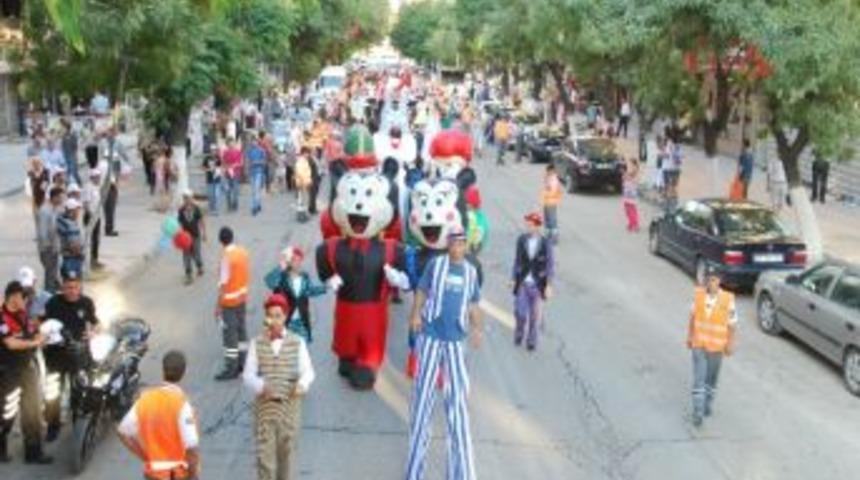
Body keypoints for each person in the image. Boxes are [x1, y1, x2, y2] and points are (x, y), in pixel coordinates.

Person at [406, 229, 481, 480]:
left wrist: (477, 329)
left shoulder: (471, 273)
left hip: (455, 341)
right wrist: (415, 314)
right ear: (448, 245)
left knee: (458, 405)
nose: (457, 248)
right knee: (422, 401)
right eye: (453, 244)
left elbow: (473, 303)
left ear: (465, 246)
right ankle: (414, 473)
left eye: (461, 244)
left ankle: (461, 475)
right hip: (430, 336)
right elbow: (422, 291)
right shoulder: (435, 265)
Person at [243, 294, 315, 480]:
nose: (273, 320)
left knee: (287, 459)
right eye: (270, 315)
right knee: (264, 461)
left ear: (285, 317)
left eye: (278, 316)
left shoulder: (297, 342)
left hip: (289, 410)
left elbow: (308, 371)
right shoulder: (256, 343)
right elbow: (248, 375)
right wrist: (260, 385)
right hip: (265, 410)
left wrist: (301, 384)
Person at [118, 350, 201, 480]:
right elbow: (191, 447)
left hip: (153, 474)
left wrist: (145, 456)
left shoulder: (145, 399)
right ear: (183, 373)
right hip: (177, 474)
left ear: (162, 371)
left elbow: (123, 431)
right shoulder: (182, 405)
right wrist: (194, 475)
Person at [43, 270, 99, 441]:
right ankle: (53, 426)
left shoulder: (86, 302)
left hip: (79, 356)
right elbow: (43, 322)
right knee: (53, 393)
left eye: (75, 287)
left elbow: (96, 322)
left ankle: (77, 425)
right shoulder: (53, 302)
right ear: (62, 287)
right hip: (55, 356)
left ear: (80, 286)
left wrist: (93, 333)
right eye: (68, 287)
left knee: (79, 391)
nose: (71, 291)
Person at [0, 281, 52, 464]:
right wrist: (35, 343)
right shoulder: (2, 317)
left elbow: (33, 330)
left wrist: (40, 337)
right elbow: (11, 343)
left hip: (27, 368)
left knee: (32, 412)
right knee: (7, 412)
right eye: (24, 297)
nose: (27, 301)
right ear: (14, 297)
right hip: (8, 372)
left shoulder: (23, 314)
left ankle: (33, 452)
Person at [686, 268, 737, 428]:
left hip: (716, 347)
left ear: (719, 281)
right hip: (699, 344)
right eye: (709, 279)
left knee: (710, 380)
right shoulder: (699, 295)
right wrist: (689, 336)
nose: (711, 283)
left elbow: (732, 325)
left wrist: (730, 343)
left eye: (714, 280)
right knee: (699, 379)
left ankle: (708, 404)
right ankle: (698, 412)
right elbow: (693, 317)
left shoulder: (728, 299)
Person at [511, 213, 555, 351]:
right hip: (523, 282)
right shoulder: (521, 240)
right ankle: (519, 331)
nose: (527, 227)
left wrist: (548, 284)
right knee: (520, 312)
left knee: (535, 316)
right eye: (527, 225)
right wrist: (513, 278)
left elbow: (550, 264)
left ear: (537, 227)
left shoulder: (546, 243)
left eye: (530, 225)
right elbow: (517, 260)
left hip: (538, 284)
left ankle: (531, 340)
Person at [264, 247, 327, 343]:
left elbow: (309, 290)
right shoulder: (281, 276)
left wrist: (325, 287)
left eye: (299, 260)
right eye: (294, 260)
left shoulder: (304, 276)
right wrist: (280, 267)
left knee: (302, 350)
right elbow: (269, 281)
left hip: (301, 320)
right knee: (284, 350)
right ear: (288, 261)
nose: (297, 263)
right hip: (284, 321)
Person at [215, 227, 250, 380]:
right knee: (241, 331)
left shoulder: (226, 258)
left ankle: (232, 368)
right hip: (242, 298)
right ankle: (243, 362)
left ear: (221, 241)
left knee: (230, 336)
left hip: (229, 302)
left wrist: (217, 306)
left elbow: (223, 283)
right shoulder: (242, 252)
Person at [36, 187, 64, 292]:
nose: (62, 200)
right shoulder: (44, 211)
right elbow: (42, 233)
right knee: (49, 273)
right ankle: (48, 293)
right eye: (60, 198)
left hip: (54, 247)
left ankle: (52, 289)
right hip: (47, 248)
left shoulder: (55, 209)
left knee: (53, 272)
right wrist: (48, 246)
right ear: (54, 197)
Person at [102, 128, 128, 237]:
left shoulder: (118, 144)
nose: (110, 134)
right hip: (104, 177)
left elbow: (125, 157)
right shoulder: (102, 144)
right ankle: (107, 226)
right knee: (105, 203)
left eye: (112, 132)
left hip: (114, 176)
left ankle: (109, 227)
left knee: (111, 203)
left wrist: (123, 166)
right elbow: (99, 157)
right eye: (109, 132)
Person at [178, 190, 206, 285]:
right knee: (186, 255)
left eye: (188, 198)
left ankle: (199, 266)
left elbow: (201, 221)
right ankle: (188, 274)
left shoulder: (197, 209)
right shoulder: (181, 210)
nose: (187, 200)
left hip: (195, 236)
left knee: (196, 253)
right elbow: (180, 223)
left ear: (192, 198)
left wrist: (204, 233)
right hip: (185, 237)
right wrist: (179, 234)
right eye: (185, 198)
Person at [82, 167, 105, 270]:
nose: (98, 179)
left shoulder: (97, 187)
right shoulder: (88, 187)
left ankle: (94, 259)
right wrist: (90, 215)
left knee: (96, 239)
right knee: (91, 239)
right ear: (92, 177)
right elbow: (86, 203)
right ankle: (89, 260)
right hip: (90, 216)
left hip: (97, 216)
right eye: (97, 177)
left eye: (99, 177)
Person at [57, 197, 85, 278]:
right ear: (72, 211)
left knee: (67, 282)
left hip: (65, 258)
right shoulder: (71, 225)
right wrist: (80, 254)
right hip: (72, 259)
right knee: (73, 283)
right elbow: (74, 245)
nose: (79, 212)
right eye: (77, 210)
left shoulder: (61, 220)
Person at [247, 135, 268, 216]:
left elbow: (264, 162)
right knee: (253, 191)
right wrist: (248, 170)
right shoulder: (250, 151)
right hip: (252, 173)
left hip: (259, 172)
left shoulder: (261, 150)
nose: (253, 143)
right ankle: (258, 204)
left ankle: (254, 207)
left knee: (256, 190)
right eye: (252, 141)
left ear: (257, 142)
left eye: (255, 141)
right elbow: (248, 162)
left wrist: (257, 162)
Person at [541, 164, 563, 243]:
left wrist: (547, 183)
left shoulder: (554, 180)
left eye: (548, 171)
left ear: (552, 171)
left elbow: (551, 190)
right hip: (547, 202)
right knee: (547, 219)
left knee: (552, 220)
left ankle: (554, 237)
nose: (547, 172)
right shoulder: (550, 178)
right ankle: (548, 234)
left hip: (551, 202)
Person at [222, 138, 243, 212]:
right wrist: (225, 168)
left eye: (232, 143)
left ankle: (235, 205)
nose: (231, 145)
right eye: (229, 143)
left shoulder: (238, 152)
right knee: (228, 190)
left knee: (235, 190)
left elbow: (241, 163)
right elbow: (223, 163)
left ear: (234, 143)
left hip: (236, 174)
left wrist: (235, 165)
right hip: (227, 173)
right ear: (227, 144)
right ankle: (229, 205)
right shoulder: (225, 152)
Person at [622, 157, 641, 232]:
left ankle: (635, 224)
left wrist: (625, 175)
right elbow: (625, 177)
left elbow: (628, 176)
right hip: (628, 191)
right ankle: (631, 223)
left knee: (631, 209)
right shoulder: (631, 170)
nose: (629, 164)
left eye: (630, 163)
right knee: (628, 209)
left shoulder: (634, 169)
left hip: (630, 191)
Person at [61, 119, 80, 185]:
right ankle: (68, 185)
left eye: (64, 127)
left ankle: (79, 184)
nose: (63, 129)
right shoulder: (64, 136)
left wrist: (75, 156)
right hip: (66, 155)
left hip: (72, 155)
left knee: (73, 171)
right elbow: (63, 146)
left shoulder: (73, 135)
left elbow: (75, 146)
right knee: (68, 171)